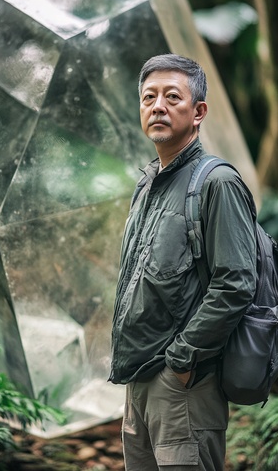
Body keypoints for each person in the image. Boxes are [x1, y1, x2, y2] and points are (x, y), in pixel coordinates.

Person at [109, 53, 257, 471]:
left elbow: (236, 283)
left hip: (182, 387)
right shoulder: (147, 184)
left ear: (199, 112)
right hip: (139, 381)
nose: (157, 106)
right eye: (148, 97)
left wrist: (180, 364)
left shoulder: (216, 183)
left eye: (172, 97)